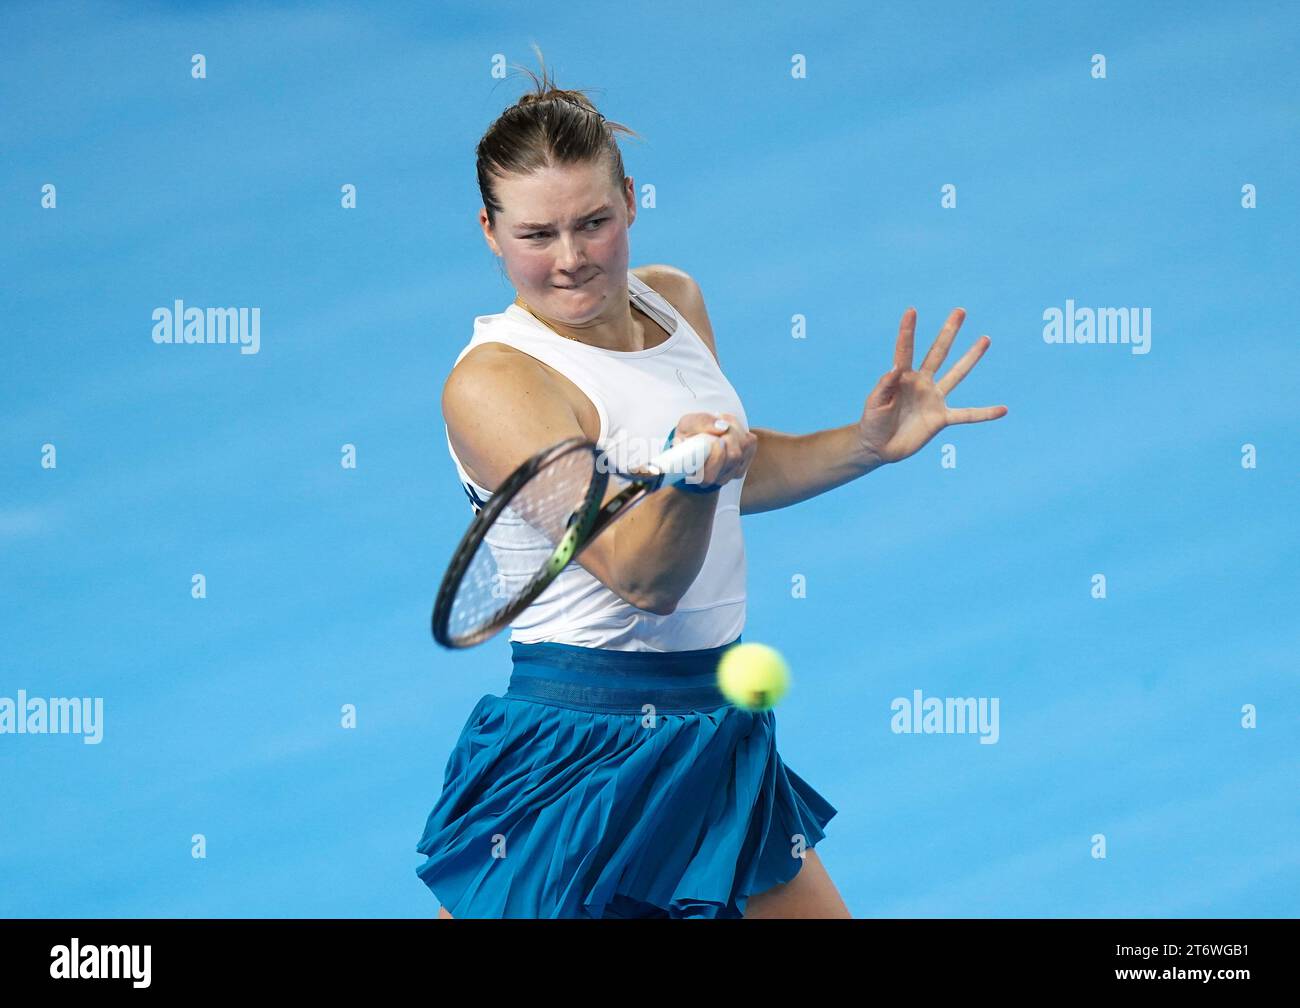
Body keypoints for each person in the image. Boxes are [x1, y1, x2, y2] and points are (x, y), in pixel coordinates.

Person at [414, 51, 1007, 919]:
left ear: (631, 202)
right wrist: (686, 485)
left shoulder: (672, 301)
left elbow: (740, 468)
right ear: (489, 232)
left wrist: (865, 443)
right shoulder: (496, 384)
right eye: (536, 236)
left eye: (593, 222)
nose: (572, 259)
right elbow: (641, 575)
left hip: (712, 731)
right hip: (575, 753)